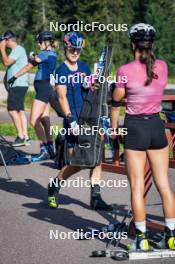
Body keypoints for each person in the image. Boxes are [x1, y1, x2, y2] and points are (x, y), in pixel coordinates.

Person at [111, 23, 175, 250]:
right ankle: (171, 236)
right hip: (157, 127)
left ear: (132, 44)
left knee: (137, 187)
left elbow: (117, 97)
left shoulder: (125, 70)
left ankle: (142, 240)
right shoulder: (163, 66)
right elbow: (153, 88)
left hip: (135, 128)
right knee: (164, 186)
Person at [48, 31, 113, 211]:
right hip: (73, 120)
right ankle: (54, 184)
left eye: (77, 49)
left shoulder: (84, 67)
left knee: (96, 157)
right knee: (77, 162)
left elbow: (89, 87)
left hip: (89, 118)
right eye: (71, 48)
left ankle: (95, 197)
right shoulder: (61, 70)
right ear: (66, 48)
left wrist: (92, 84)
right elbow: (61, 97)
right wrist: (71, 121)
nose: (75, 52)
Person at [8, 31, 57, 161]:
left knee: (33, 120)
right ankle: (51, 147)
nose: (38, 44)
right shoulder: (51, 54)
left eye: (40, 42)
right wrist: (15, 76)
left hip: (43, 89)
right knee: (45, 120)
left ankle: (44, 149)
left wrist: (14, 76)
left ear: (46, 43)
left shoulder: (45, 54)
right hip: (46, 88)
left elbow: (31, 63)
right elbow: (33, 63)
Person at [0, 30, 29, 146]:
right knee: (19, 110)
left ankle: (20, 136)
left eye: (3, 41)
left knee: (11, 109)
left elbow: (6, 62)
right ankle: (25, 136)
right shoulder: (16, 50)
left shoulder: (18, 49)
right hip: (19, 85)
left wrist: (1, 49)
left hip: (18, 85)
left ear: (8, 39)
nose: (3, 43)